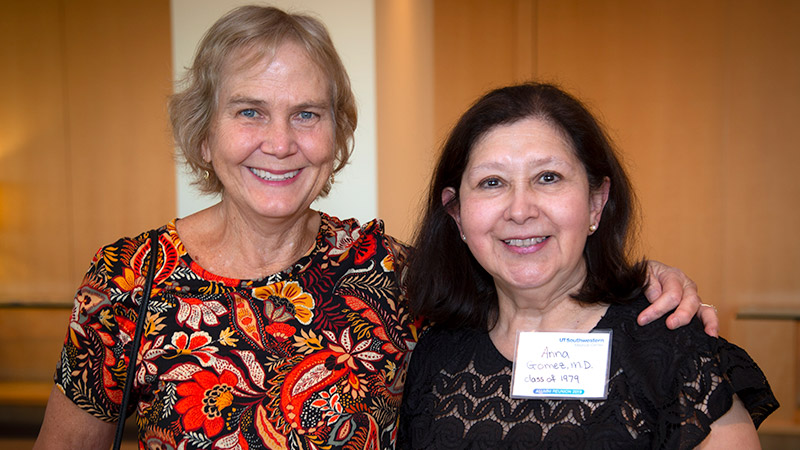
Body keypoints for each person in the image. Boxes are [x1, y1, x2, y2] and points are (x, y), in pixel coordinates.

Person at [34, 6, 716, 450]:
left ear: (336, 138)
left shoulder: (387, 272)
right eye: (248, 112)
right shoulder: (130, 276)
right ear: (204, 138)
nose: (280, 142)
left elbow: (525, 277)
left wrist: (644, 284)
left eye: (307, 114)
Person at [398, 82, 779, 449]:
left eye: (548, 177)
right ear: (457, 214)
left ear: (596, 202)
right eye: (492, 182)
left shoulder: (672, 350)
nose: (519, 210)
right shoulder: (433, 355)